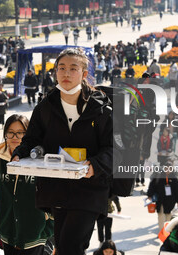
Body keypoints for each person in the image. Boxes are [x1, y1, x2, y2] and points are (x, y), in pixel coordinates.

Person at [12, 48, 113, 255]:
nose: (66, 73)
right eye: (62, 68)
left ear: (84, 74)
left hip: (89, 189)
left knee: (70, 246)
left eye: (73, 68)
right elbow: (32, 140)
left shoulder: (101, 109)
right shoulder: (45, 107)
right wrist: (20, 153)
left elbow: (114, 148)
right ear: (55, 72)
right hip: (56, 187)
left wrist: (95, 165)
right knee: (64, 246)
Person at [0, 114, 54, 254]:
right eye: (11, 132)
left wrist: (49, 226)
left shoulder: (40, 161)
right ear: (5, 135)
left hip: (36, 235)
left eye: (21, 133)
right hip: (8, 234)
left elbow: (53, 196)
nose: (15, 137)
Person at [147, 160, 178, 230]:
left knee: (168, 215)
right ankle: (161, 231)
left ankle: (167, 231)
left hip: (170, 200)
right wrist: (149, 195)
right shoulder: (159, 176)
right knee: (160, 215)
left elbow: (177, 190)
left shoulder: (174, 178)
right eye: (166, 168)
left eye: (170, 169)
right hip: (160, 199)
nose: (168, 170)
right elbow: (152, 185)